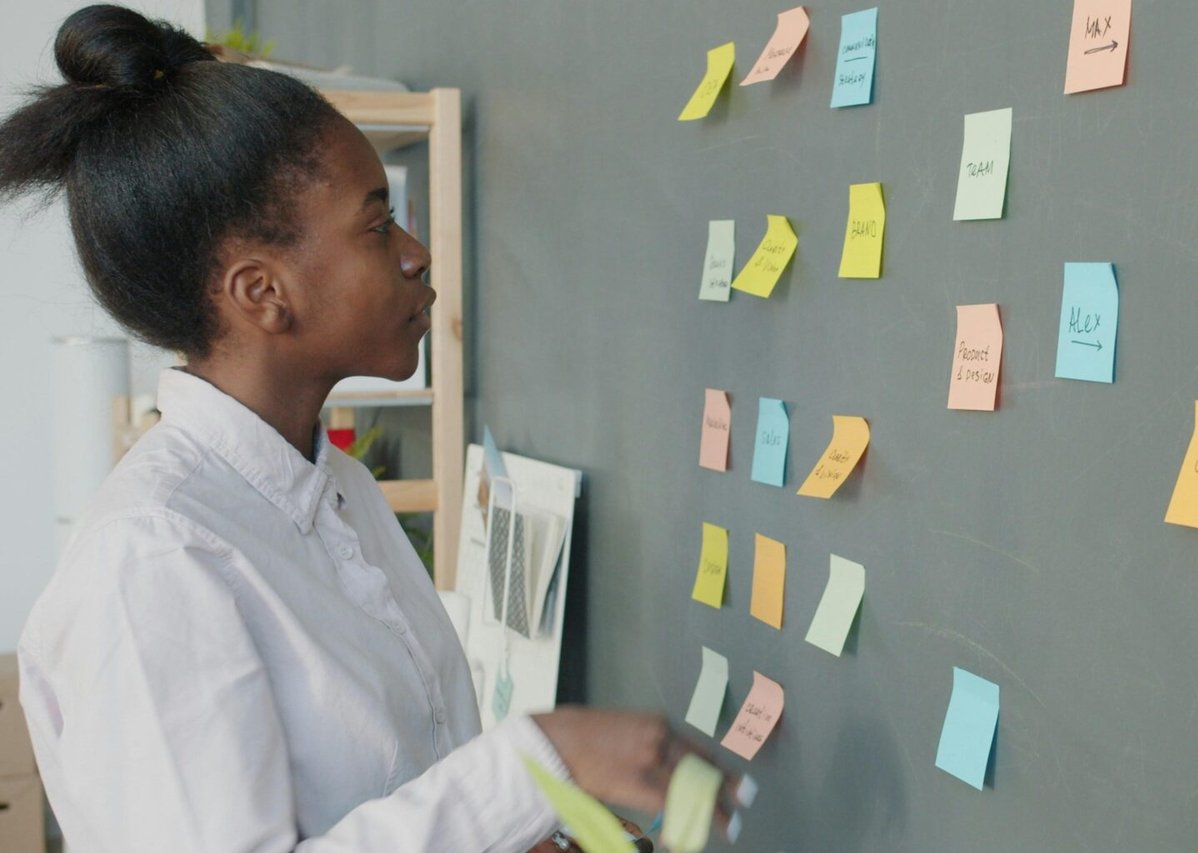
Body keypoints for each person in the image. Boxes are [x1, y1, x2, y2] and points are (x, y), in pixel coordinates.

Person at [0, 5, 740, 851]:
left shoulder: (339, 492)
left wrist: (530, 831)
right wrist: (543, 759)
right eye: (377, 222)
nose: (416, 253)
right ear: (261, 292)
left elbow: (402, 792)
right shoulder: (153, 563)